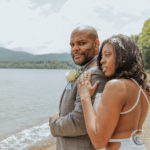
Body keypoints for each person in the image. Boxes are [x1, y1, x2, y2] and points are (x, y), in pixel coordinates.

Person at [78, 34, 150, 150]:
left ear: (124, 57)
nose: (102, 61)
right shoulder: (143, 89)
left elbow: (98, 141)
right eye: (101, 56)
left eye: (107, 55)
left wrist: (85, 97)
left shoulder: (116, 86)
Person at [49, 26, 107, 150]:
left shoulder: (94, 74)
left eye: (81, 43)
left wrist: (53, 123)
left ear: (96, 44)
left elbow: (81, 122)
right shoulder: (86, 70)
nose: (75, 48)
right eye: (72, 45)